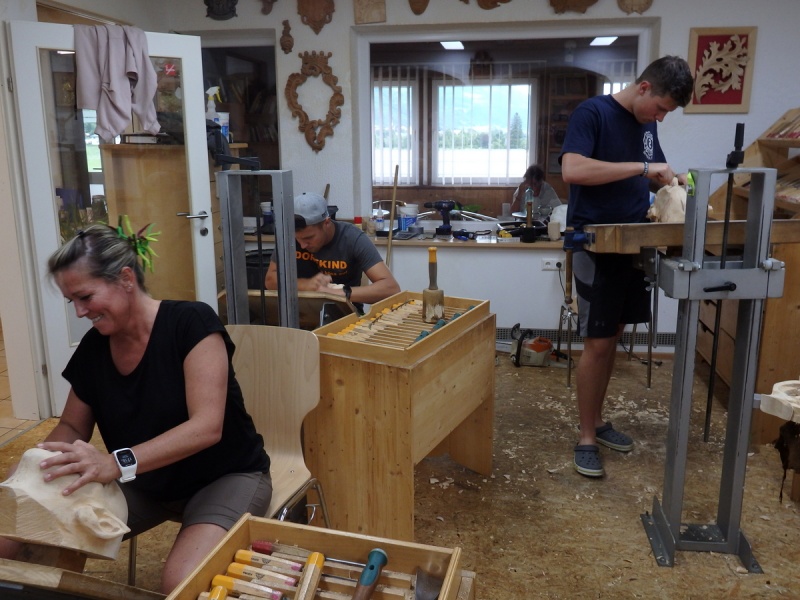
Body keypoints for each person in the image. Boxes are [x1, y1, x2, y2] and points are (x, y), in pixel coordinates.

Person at [0, 223, 271, 593]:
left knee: (182, 583)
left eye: (85, 296)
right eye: (71, 301)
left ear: (126, 278)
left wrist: (115, 463)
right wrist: (34, 465)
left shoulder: (191, 323)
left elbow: (206, 427)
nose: (79, 312)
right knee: (28, 535)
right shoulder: (95, 348)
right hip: (146, 482)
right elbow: (73, 427)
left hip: (224, 477)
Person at [559, 56, 694, 478]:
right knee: (597, 343)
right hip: (597, 244)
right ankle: (585, 436)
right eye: (661, 108)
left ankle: (597, 422)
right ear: (644, 87)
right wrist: (643, 167)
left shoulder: (647, 125)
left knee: (613, 338)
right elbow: (572, 169)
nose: (661, 118)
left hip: (634, 243)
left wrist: (675, 181)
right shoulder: (593, 113)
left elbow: (653, 173)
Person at [265, 192, 401, 310]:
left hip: (344, 314)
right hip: (302, 312)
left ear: (326, 223)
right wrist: (305, 285)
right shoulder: (287, 237)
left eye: (309, 238)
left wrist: (336, 293)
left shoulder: (352, 238)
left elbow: (391, 289)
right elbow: (270, 281)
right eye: (297, 239)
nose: (302, 245)